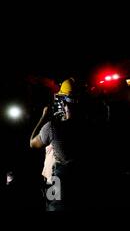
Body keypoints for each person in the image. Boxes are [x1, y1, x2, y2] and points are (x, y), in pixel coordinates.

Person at [30, 78, 91, 210]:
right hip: (84, 180)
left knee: (53, 206)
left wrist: (43, 117)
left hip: (57, 181)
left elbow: (32, 144)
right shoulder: (92, 126)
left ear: (64, 103)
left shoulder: (52, 127)